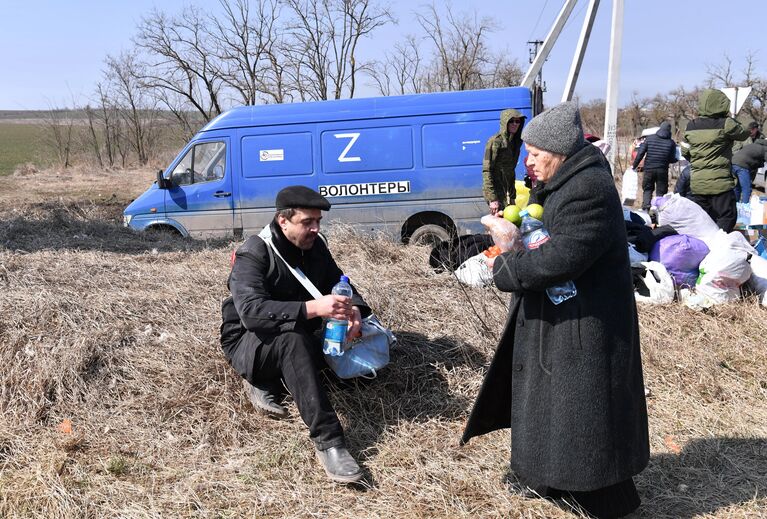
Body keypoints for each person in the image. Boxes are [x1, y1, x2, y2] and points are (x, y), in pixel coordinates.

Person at [461, 102, 650, 519]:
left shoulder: (589, 190)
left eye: (534, 154)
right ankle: (550, 477)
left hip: (587, 325)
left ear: (559, 151)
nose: (527, 162)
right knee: (553, 404)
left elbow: (559, 258)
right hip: (564, 315)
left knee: (587, 415)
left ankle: (609, 502)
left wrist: (505, 258)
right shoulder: (566, 182)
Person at [220, 185, 371, 484]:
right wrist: (314, 308)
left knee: (355, 375)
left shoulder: (316, 247)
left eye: (318, 222)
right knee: (293, 340)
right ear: (283, 221)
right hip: (250, 343)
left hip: (299, 332)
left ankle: (270, 381)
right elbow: (251, 312)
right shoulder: (253, 252)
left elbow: (339, 282)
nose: (315, 228)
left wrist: (355, 310)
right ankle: (330, 443)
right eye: (307, 222)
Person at [682, 89, 749, 232]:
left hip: (698, 184)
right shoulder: (726, 123)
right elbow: (743, 134)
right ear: (722, 105)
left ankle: (703, 247)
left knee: (702, 220)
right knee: (727, 217)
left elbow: (685, 151)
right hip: (720, 185)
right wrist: (731, 118)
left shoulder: (691, 125)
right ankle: (718, 245)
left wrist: (698, 163)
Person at [483, 109, 526, 215]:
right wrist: (492, 199)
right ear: (505, 122)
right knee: (499, 226)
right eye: (512, 121)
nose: (515, 124)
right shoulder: (495, 141)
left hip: (507, 194)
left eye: (518, 121)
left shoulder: (515, 143)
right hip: (497, 194)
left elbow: (511, 171)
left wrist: (512, 197)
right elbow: (487, 171)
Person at [632, 122, 678, 210]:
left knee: (648, 189)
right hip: (662, 170)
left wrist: (634, 165)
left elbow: (640, 153)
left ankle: (646, 209)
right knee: (661, 192)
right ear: (669, 130)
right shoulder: (671, 143)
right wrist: (676, 159)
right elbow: (672, 159)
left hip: (649, 169)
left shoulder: (649, 139)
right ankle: (658, 211)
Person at [732, 138, 767, 203]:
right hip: (742, 166)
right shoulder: (765, 149)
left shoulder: (754, 145)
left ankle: (735, 206)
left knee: (737, 187)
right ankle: (745, 208)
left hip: (733, 163)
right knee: (746, 189)